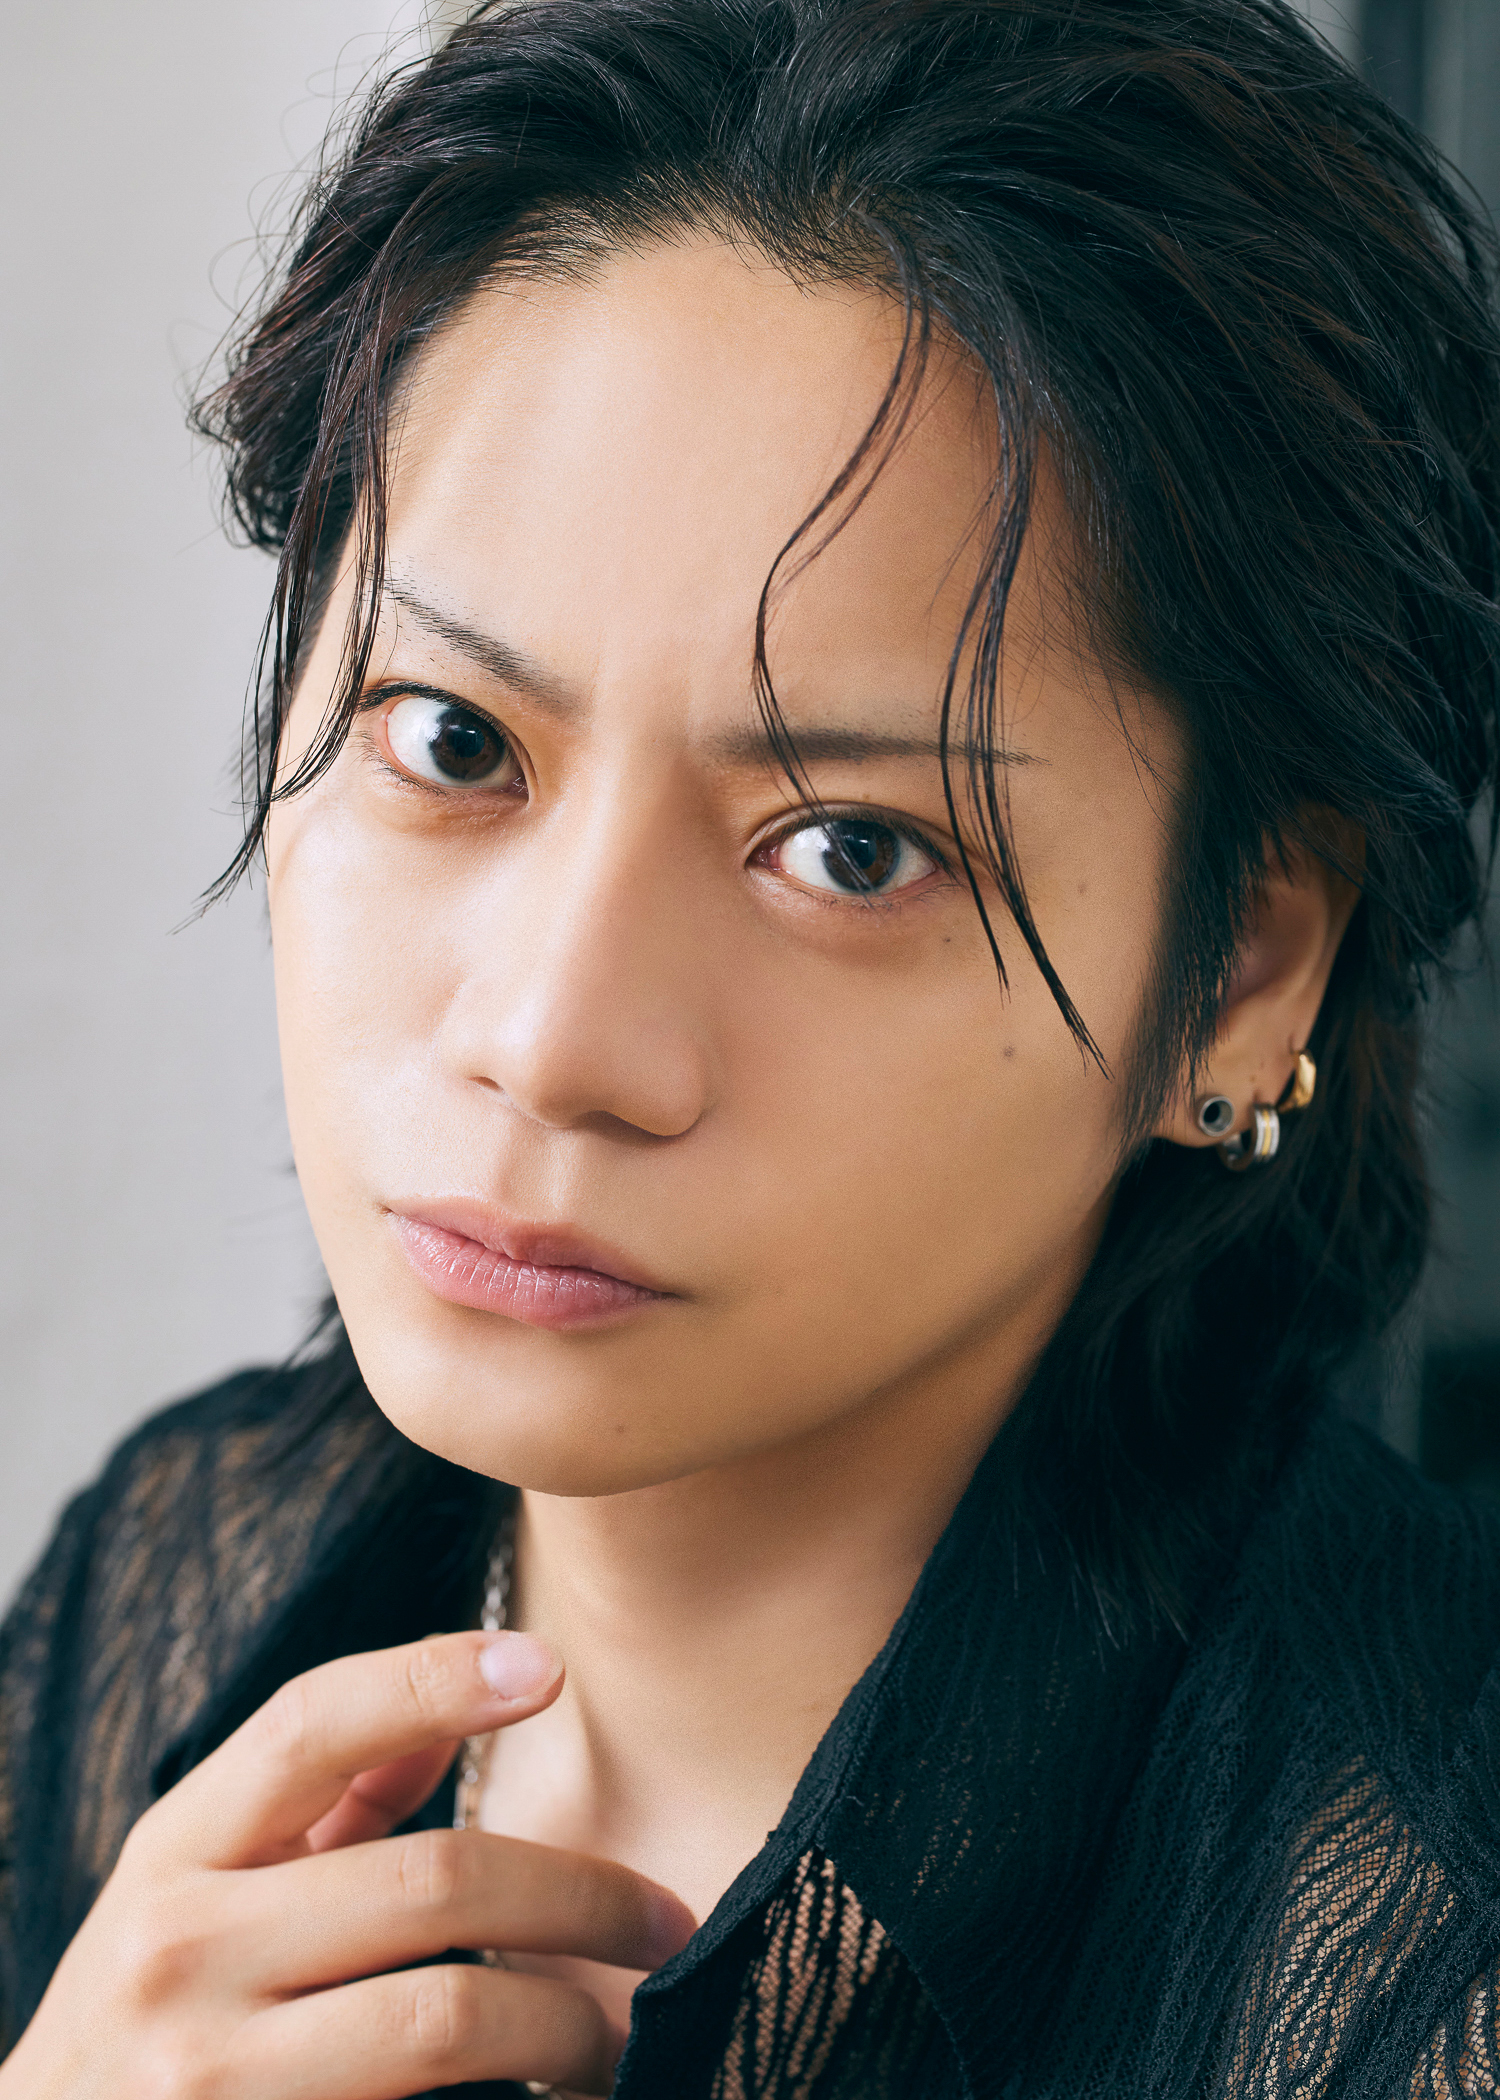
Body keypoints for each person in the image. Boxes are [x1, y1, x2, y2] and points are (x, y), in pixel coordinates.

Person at [3, 0, 1499, 2092]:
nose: (551, 1042)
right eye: (454, 741)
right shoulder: (179, 1584)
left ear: (1244, 970)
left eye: (851, 849)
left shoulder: (1426, 1961)